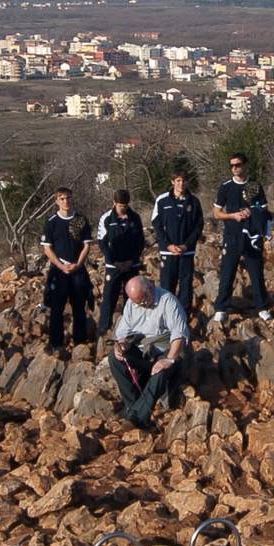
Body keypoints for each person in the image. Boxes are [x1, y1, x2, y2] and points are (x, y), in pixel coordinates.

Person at [107, 274, 189, 427]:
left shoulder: (168, 301)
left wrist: (168, 360)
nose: (141, 304)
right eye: (137, 302)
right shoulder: (132, 304)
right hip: (144, 349)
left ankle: (137, 417)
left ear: (150, 288)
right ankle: (133, 407)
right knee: (114, 358)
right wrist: (121, 346)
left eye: (143, 300)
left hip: (168, 349)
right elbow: (123, 332)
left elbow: (179, 335)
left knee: (159, 372)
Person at [213, 153, 274, 321]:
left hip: (252, 236)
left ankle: (261, 306)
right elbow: (216, 213)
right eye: (232, 165)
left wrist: (252, 212)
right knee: (227, 272)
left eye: (238, 165)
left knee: (256, 272)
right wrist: (233, 216)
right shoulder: (225, 187)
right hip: (232, 235)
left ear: (245, 165)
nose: (235, 168)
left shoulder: (255, 185)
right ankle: (221, 307)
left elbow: (264, 209)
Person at [40, 188, 94, 353]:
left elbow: (87, 245)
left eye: (68, 198)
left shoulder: (81, 220)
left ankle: (80, 341)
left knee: (79, 306)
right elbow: (47, 249)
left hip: (77, 269)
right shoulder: (51, 222)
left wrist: (78, 264)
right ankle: (56, 343)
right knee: (57, 308)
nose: (65, 201)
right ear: (57, 201)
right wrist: (61, 266)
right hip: (59, 271)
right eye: (62, 199)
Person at [94, 188, 147, 334]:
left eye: (125, 206)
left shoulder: (135, 217)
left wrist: (132, 260)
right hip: (114, 265)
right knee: (109, 297)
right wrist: (114, 261)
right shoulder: (106, 218)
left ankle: (130, 328)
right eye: (120, 206)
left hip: (132, 264)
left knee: (132, 297)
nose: (123, 208)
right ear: (114, 203)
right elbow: (102, 243)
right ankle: (104, 329)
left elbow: (140, 241)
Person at [151, 170, 204, 315]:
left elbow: (198, 226)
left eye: (184, 181)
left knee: (186, 285)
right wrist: (167, 244)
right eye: (178, 181)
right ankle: (166, 317)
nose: (181, 184)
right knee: (167, 285)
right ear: (173, 182)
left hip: (186, 251)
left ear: (187, 182)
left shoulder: (194, 201)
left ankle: (183, 317)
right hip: (168, 251)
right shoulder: (162, 200)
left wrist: (186, 245)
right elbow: (156, 225)